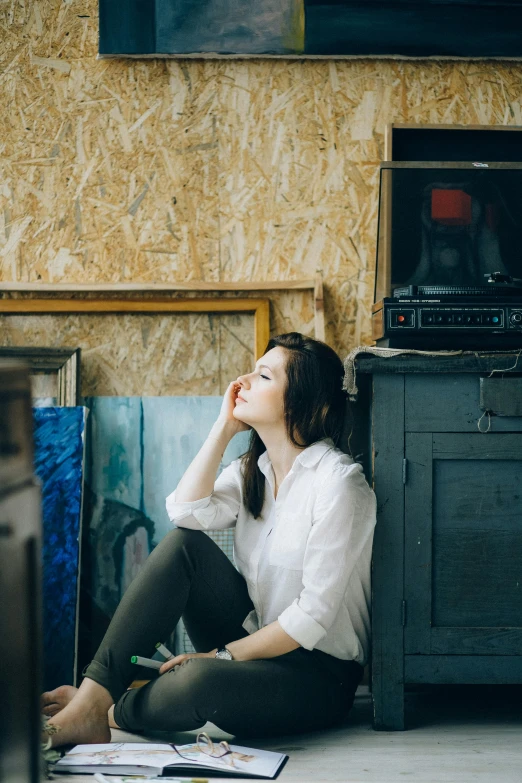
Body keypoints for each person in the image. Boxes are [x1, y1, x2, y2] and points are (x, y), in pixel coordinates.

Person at [41, 332, 376, 747]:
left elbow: (311, 617)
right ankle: (92, 696)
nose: (243, 381)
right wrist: (223, 428)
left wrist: (221, 657)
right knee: (185, 547)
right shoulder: (252, 470)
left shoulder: (340, 484)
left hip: (318, 676)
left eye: (263, 376)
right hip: (254, 642)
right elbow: (185, 512)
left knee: (197, 679)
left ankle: (104, 712)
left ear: (302, 400)